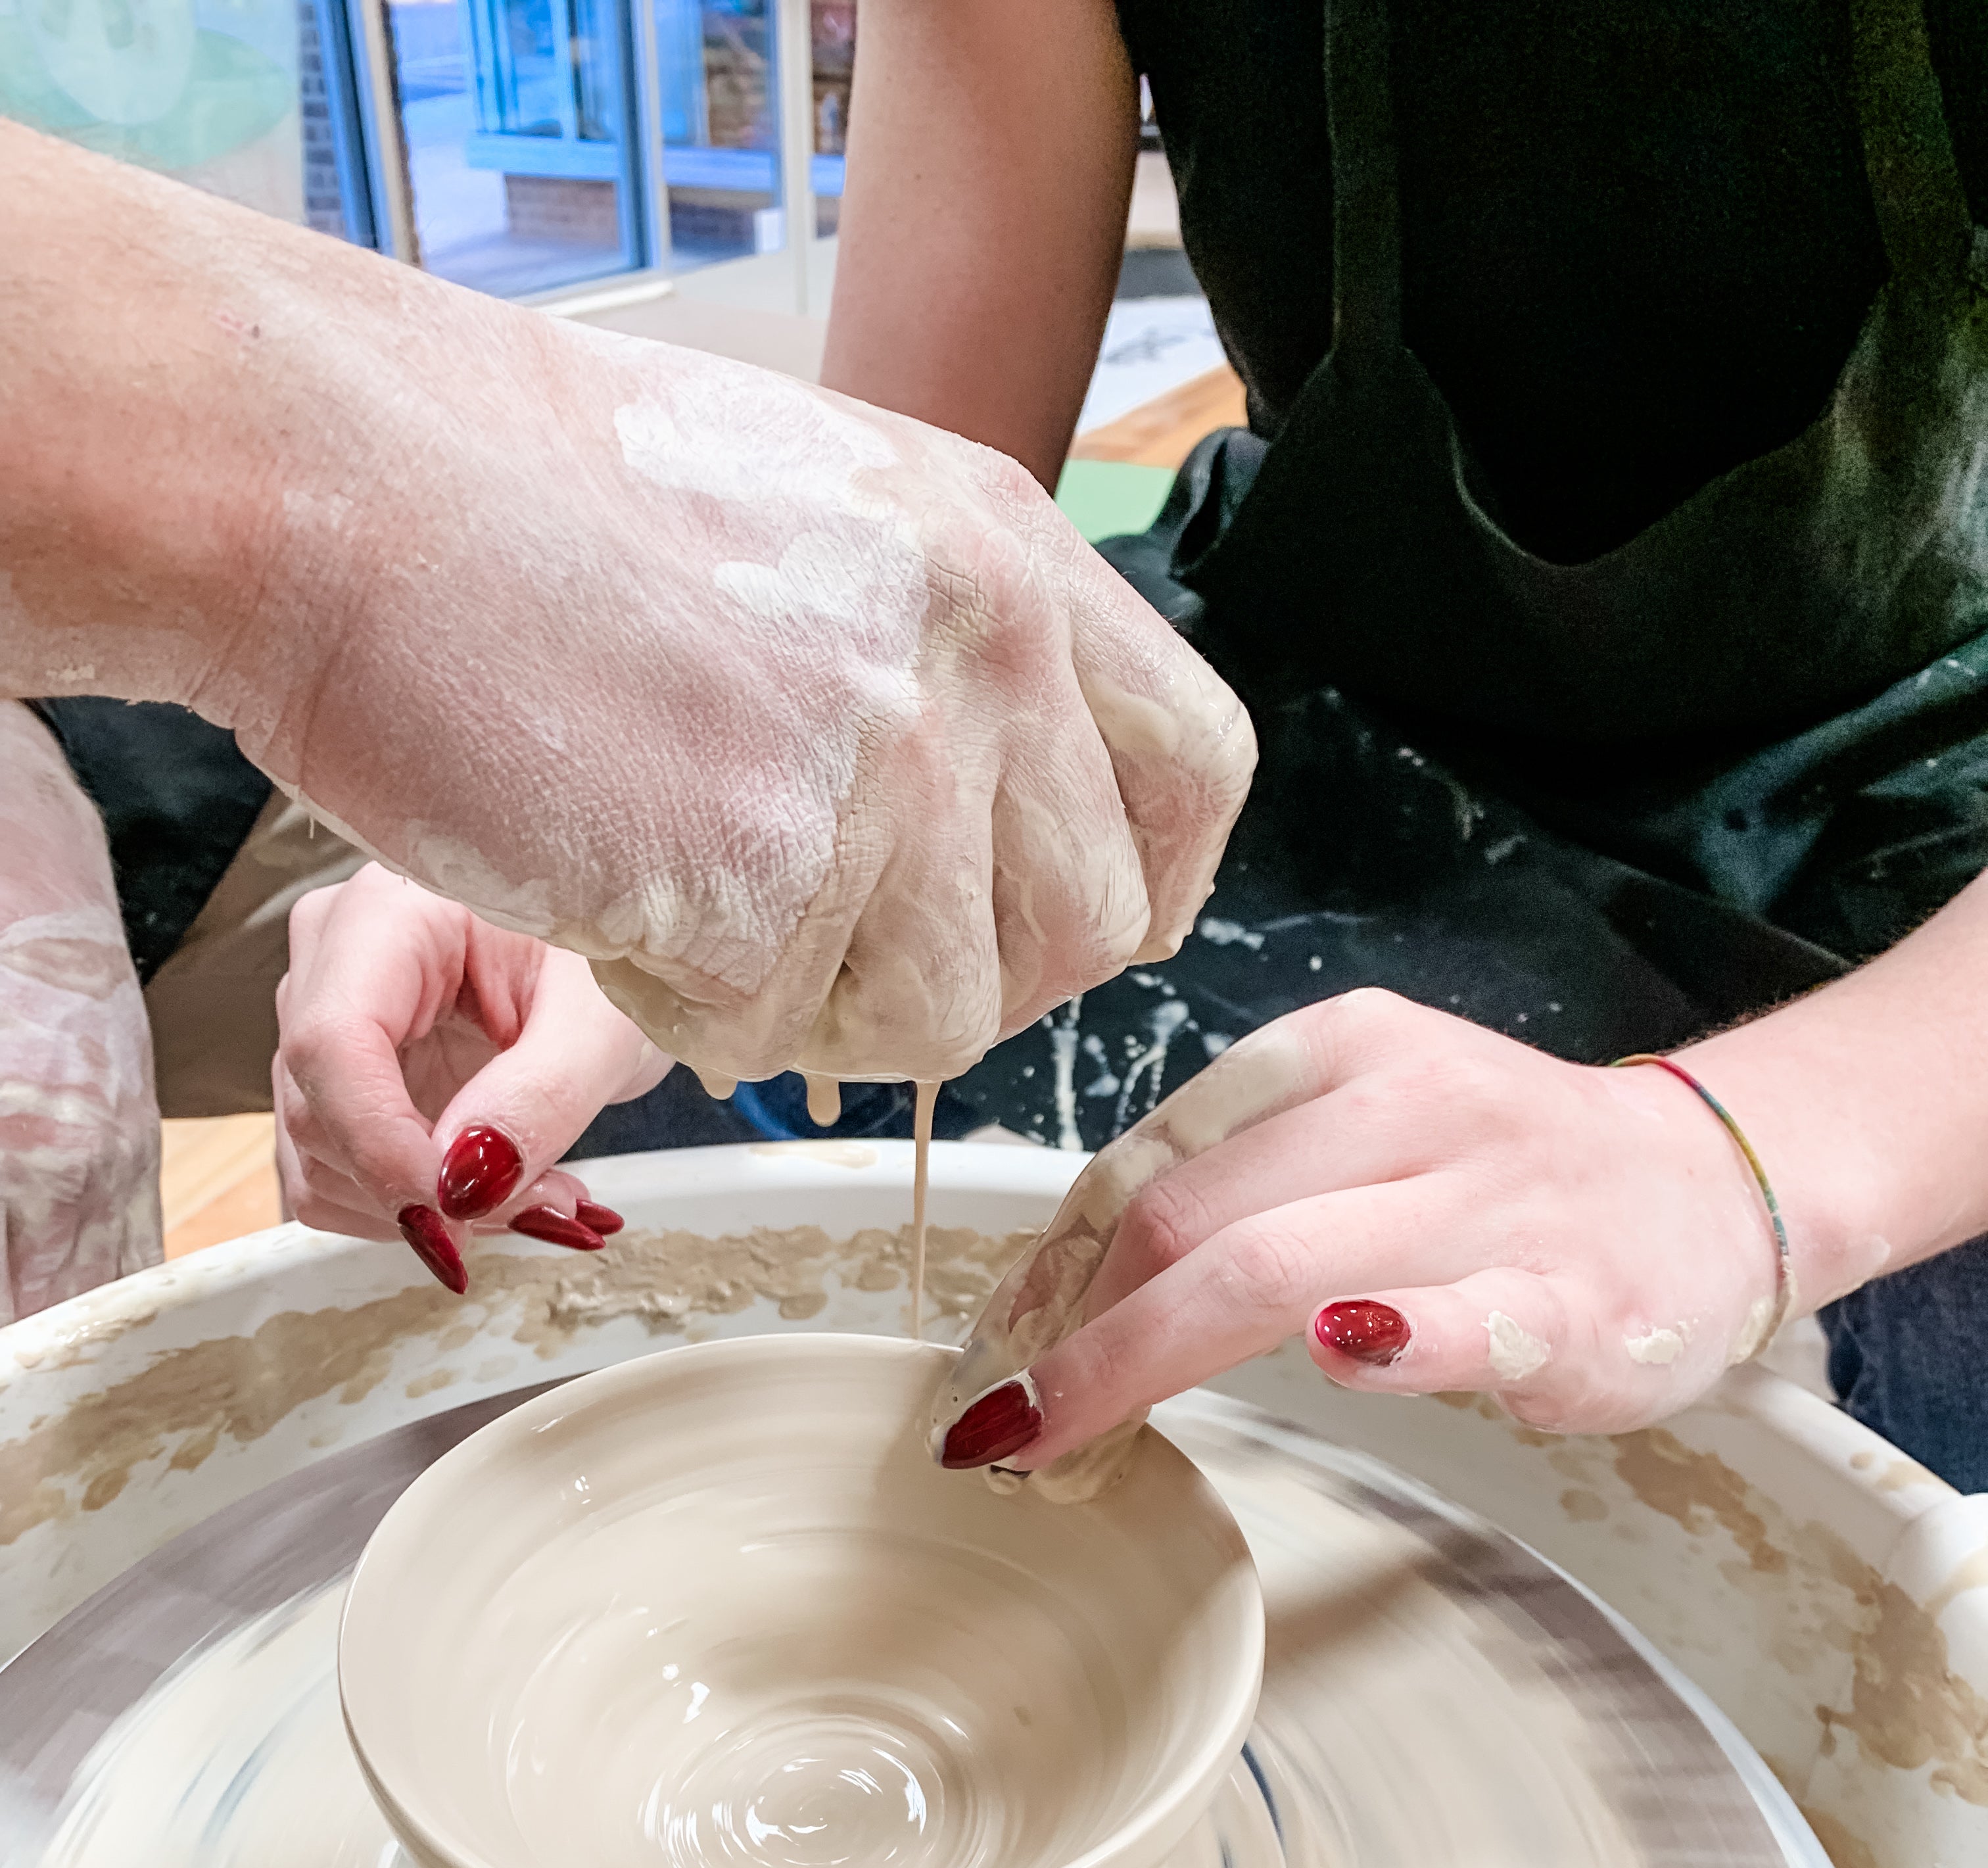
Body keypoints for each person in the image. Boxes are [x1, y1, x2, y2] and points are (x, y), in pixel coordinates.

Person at [273, 0, 1988, 1493]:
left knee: (1809, 1475)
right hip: (1299, 695)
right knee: (609, 1222)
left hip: (1904, 817)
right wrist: (668, 828)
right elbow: (898, 574)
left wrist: (1747, 1161)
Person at [0, 112, 1252, 1307]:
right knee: (43, 1127)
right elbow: (893, 577)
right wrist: (360, 541)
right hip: (92, 630)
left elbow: (912, 599)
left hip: (1267, 705)